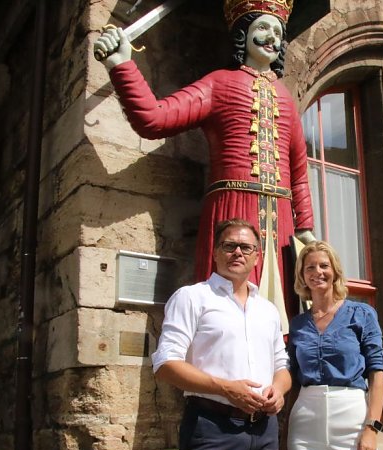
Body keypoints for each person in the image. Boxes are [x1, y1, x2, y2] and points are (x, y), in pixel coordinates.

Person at [93, 0, 315, 329]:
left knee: (280, 316)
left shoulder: (286, 100)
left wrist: (305, 230)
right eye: (263, 28)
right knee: (224, 309)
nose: (271, 37)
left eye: (278, 31)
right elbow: (154, 119)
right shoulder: (219, 84)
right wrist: (121, 64)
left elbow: (298, 174)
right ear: (244, 33)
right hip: (231, 207)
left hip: (280, 221)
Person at [151, 218, 292, 450]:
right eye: (229, 245)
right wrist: (226, 389)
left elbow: (282, 366)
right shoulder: (192, 297)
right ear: (215, 253)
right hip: (211, 428)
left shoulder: (268, 310)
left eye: (246, 247)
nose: (237, 252)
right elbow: (166, 364)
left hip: (263, 432)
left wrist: (280, 391)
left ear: (257, 256)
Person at [283, 240, 383, 450]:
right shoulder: (298, 324)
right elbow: (293, 379)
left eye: (323, 266)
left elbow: (378, 371)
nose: (318, 272)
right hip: (306, 418)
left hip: (351, 412)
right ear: (302, 274)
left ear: (335, 271)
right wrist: (282, 431)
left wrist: (372, 427)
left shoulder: (361, 313)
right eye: (310, 266)